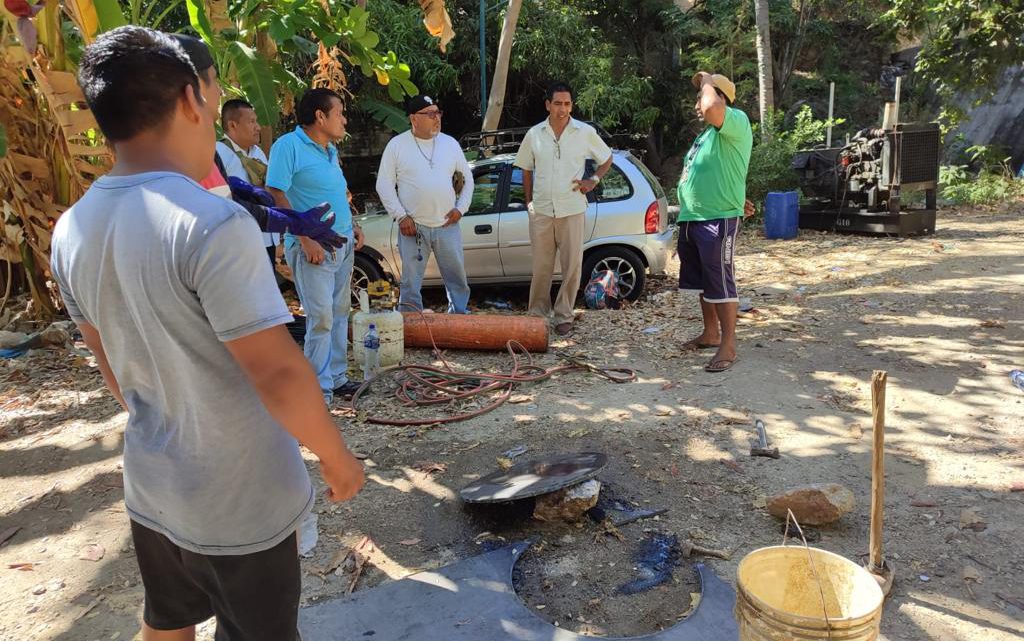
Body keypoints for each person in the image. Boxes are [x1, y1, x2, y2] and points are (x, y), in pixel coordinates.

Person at [50, 27, 364, 641]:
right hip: (240, 496)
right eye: (215, 93)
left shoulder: (73, 228)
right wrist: (335, 455)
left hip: (154, 484)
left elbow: (112, 368)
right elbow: (275, 371)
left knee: (167, 624)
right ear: (193, 100)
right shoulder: (212, 223)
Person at [266, 88, 365, 404]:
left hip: (343, 244)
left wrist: (354, 225)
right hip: (314, 247)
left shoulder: (329, 150)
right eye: (339, 113)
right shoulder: (288, 146)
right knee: (320, 318)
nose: (344, 119)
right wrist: (304, 238)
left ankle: (336, 379)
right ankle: (316, 390)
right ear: (320, 116)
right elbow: (276, 194)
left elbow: (336, 191)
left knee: (338, 313)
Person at [514, 82, 613, 336]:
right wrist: (529, 202)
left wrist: (594, 180)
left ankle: (564, 315)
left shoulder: (584, 132)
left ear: (572, 105)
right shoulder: (535, 134)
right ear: (548, 105)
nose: (562, 109)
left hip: (572, 208)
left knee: (572, 266)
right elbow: (525, 167)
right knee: (541, 268)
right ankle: (537, 315)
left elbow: (607, 158)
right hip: (542, 211)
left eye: (567, 104)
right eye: (557, 103)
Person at [676, 72, 753, 373]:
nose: (698, 103)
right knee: (703, 283)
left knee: (721, 280)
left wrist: (707, 78)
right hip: (694, 218)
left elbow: (711, 108)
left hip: (717, 218)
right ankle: (711, 334)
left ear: (719, 95)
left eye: (702, 94)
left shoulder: (736, 120)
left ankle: (729, 344)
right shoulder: (706, 135)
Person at [375, 95, 474, 314]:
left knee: (457, 278)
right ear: (414, 119)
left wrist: (461, 208)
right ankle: (411, 323)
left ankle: (460, 318)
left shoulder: (449, 143)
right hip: (413, 228)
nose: (436, 118)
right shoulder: (397, 145)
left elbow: (468, 180)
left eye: (438, 113)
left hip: (447, 225)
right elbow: (384, 185)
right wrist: (401, 216)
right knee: (410, 282)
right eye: (430, 114)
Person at [216, 99, 278, 266]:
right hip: (239, 241)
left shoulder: (257, 152)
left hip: (266, 237)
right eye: (251, 122)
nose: (257, 127)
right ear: (233, 125)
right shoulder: (218, 153)